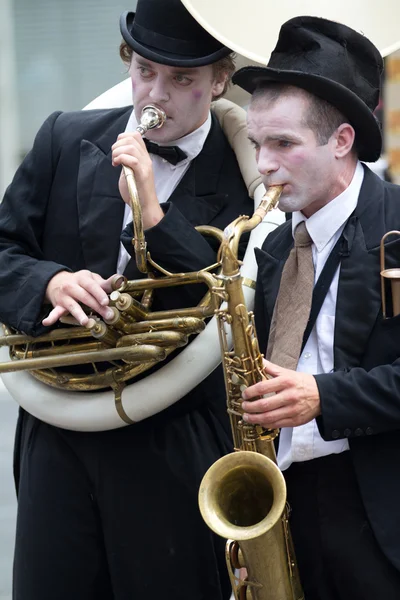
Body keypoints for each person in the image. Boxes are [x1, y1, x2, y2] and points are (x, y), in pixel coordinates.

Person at [0, 1, 255, 599]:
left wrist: (152, 210)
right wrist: (49, 282)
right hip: (59, 431)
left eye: (182, 80)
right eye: (145, 70)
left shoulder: (250, 174)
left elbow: (221, 301)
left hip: (172, 437)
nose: (154, 95)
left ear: (219, 81)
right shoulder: (65, 136)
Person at [232, 16, 400, 600]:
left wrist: (324, 396)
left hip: (380, 513)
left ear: (343, 140)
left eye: (283, 144)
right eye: (258, 145)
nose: (264, 167)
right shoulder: (276, 244)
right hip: (290, 502)